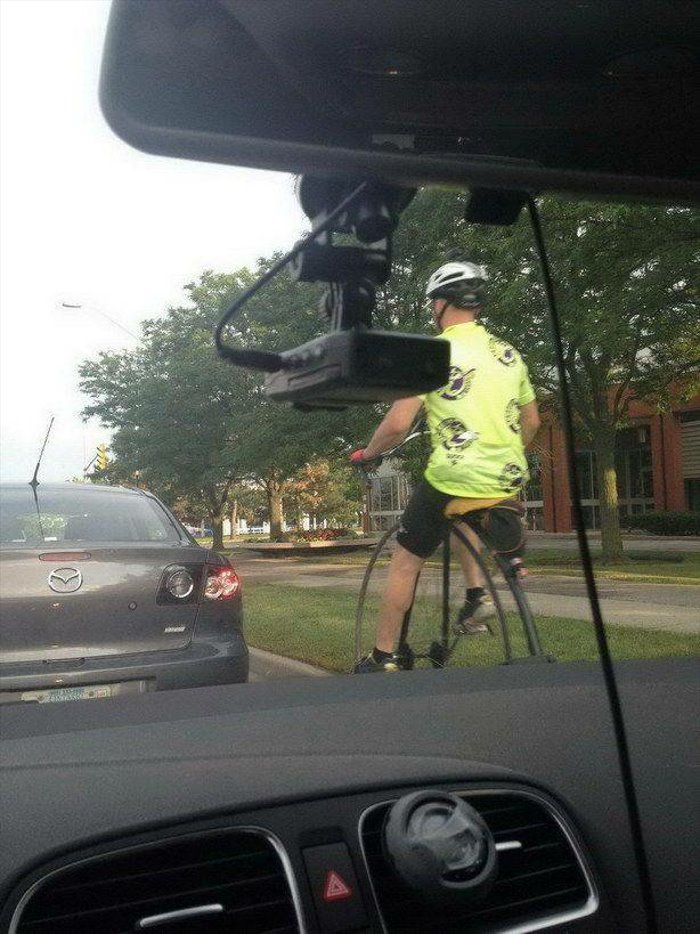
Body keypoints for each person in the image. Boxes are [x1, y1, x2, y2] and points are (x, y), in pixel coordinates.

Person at [351, 260, 541, 672]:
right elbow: (533, 423)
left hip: (453, 475)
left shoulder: (430, 354)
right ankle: (477, 597)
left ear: (440, 303)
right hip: (504, 479)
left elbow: (398, 425)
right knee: (467, 515)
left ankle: (383, 657)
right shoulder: (509, 354)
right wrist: (504, 459)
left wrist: (368, 454)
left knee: (405, 560)